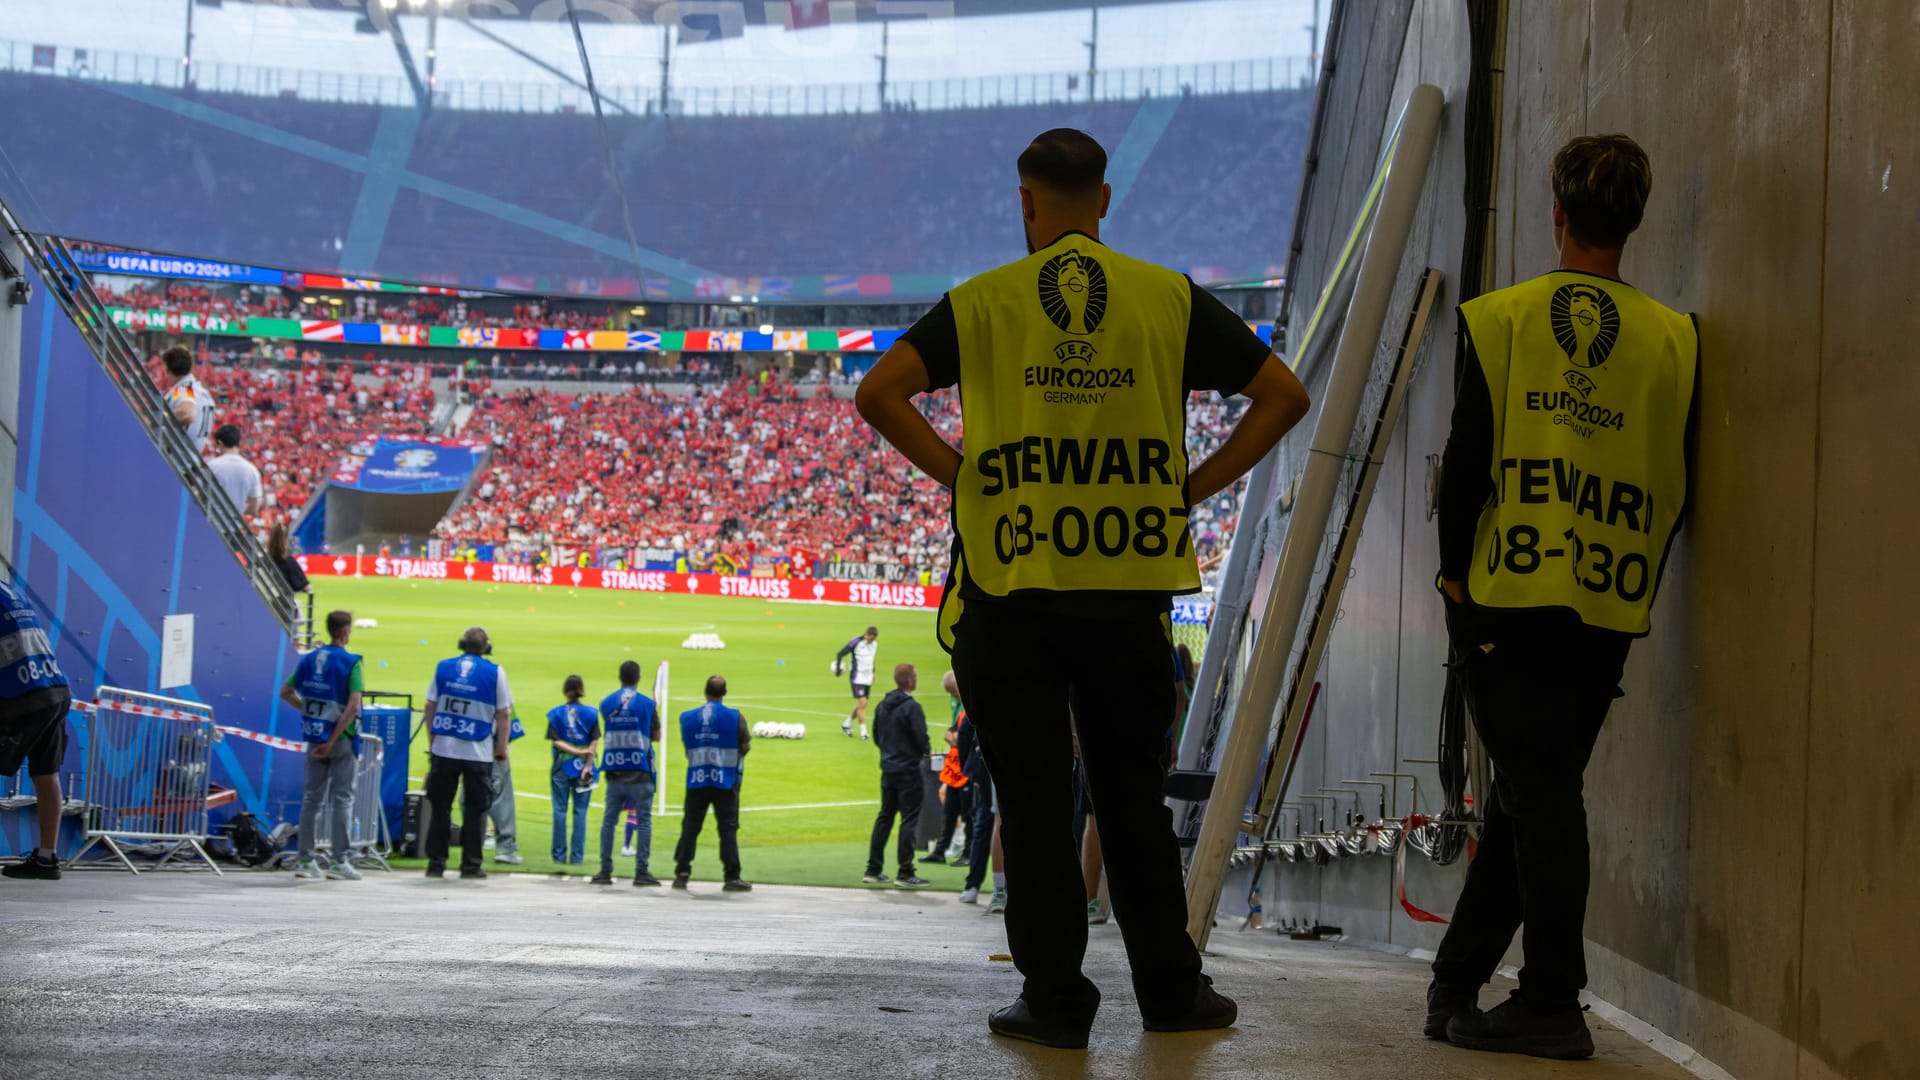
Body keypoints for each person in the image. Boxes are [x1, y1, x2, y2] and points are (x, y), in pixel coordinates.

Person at [855, 127, 1310, 1049]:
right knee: (1130, 802)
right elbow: (1285, 397)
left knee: (1028, 799)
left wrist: (961, 474)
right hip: (1126, 592)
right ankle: (1171, 995)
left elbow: (879, 393)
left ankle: (1056, 1002)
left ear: (1026, 203)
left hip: (1013, 594)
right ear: (1103, 202)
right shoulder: (1165, 299)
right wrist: (1192, 485)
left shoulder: (982, 303)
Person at [1427, 134, 1697, 1061]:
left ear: (1557, 215)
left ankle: (1550, 1000)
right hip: (1609, 601)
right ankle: (1456, 980)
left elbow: (1466, 465)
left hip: (1512, 595)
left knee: (1541, 798)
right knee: (1529, 793)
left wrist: (1454, 577)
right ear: (1631, 221)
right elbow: (1675, 479)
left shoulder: (1502, 319)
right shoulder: (1674, 339)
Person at [279, 610, 364, 881]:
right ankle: (339, 861)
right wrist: (332, 738)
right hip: (339, 740)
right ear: (346, 631)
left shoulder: (310, 658)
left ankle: (305, 859)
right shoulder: (351, 663)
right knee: (342, 799)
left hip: (314, 738)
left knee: (311, 800)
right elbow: (353, 706)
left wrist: (309, 712)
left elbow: (285, 692)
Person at [422, 627, 512, 879]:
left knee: (440, 809)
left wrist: (433, 741)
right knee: (475, 811)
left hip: (444, 749)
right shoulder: (495, 672)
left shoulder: (443, 667)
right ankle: (471, 865)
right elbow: (504, 713)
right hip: (478, 751)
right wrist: (501, 749)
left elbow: (430, 706)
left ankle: (436, 864)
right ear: (486, 647)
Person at [0, 579, 72, 881]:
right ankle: (46, 858)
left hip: (23, 696)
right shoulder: (10, 590)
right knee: (46, 773)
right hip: (54, 689)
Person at [671, 675, 752, 892]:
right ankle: (731, 876)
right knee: (727, 828)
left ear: (705, 691)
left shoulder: (688, 718)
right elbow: (745, 746)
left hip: (697, 778)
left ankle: (682, 873)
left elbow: (688, 747)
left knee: (690, 827)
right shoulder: (736, 717)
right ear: (724, 692)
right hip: (725, 781)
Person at [593, 660, 662, 887]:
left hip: (614, 770)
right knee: (643, 821)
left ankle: (605, 870)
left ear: (619, 676)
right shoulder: (647, 704)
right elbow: (657, 735)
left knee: (609, 821)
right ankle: (641, 871)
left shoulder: (606, 703)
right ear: (638, 677)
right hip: (640, 771)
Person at [863, 663, 931, 888]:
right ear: (910, 680)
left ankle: (873, 868)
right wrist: (924, 752)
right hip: (909, 770)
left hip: (889, 768)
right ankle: (905, 871)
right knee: (908, 820)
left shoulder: (883, 705)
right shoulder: (912, 707)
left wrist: (888, 753)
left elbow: (876, 734)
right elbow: (920, 738)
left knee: (885, 817)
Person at [545, 676, 598, 865]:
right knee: (580, 812)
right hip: (584, 768)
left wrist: (575, 751)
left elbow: (556, 741)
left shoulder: (556, 713)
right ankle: (577, 858)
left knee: (559, 811)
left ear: (565, 690)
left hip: (561, 766)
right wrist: (588, 763)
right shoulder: (592, 714)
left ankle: (558, 857)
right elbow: (594, 741)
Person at [486, 707, 525, 865]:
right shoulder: (495, 683)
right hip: (492, 750)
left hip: (464, 750)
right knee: (501, 798)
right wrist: (502, 748)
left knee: (468, 796)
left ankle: (474, 842)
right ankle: (505, 849)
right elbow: (506, 714)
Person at [161, 344, 216, 451]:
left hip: (176, 458)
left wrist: (159, 416)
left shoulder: (183, 388)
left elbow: (187, 413)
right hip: (192, 458)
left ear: (167, 369)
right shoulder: (203, 393)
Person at [833, 625, 878, 740]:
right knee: (862, 703)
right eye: (870, 639)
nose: (871, 641)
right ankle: (864, 732)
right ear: (867, 634)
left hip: (867, 678)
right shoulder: (856, 642)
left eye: (873, 639)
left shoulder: (874, 645)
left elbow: (871, 659)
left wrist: (873, 672)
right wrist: (838, 668)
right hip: (857, 677)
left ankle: (846, 724)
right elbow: (840, 653)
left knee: (862, 704)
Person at [206, 424, 262, 516]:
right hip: (234, 525)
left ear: (220, 443)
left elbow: (198, 495)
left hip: (210, 521)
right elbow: (254, 508)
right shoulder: (252, 470)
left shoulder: (211, 466)